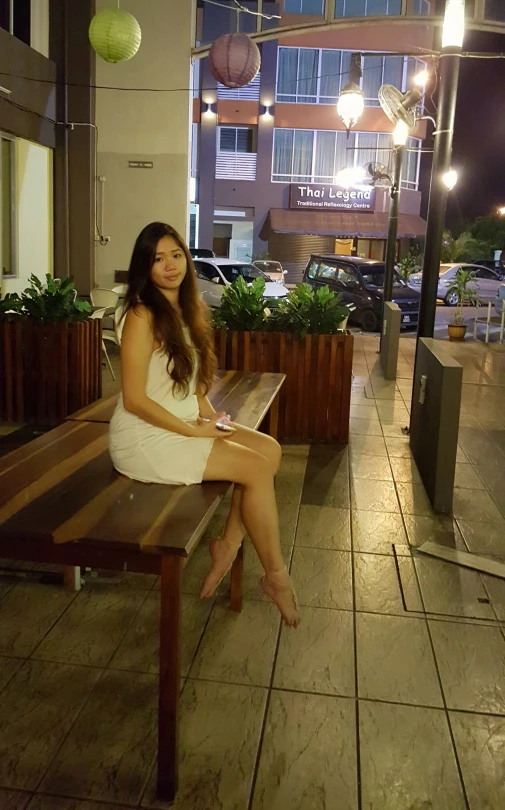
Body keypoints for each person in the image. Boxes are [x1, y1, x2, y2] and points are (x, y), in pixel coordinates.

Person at [109, 222, 300, 628]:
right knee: (254, 468)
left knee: (269, 450)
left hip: (179, 421)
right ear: (145, 267)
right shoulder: (142, 314)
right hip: (144, 436)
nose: (170, 265)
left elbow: (189, 388)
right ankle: (276, 578)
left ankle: (227, 545)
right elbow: (134, 399)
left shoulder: (186, 310)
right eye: (158, 259)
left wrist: (211, 417)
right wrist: (193, 431)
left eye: (176, 255)